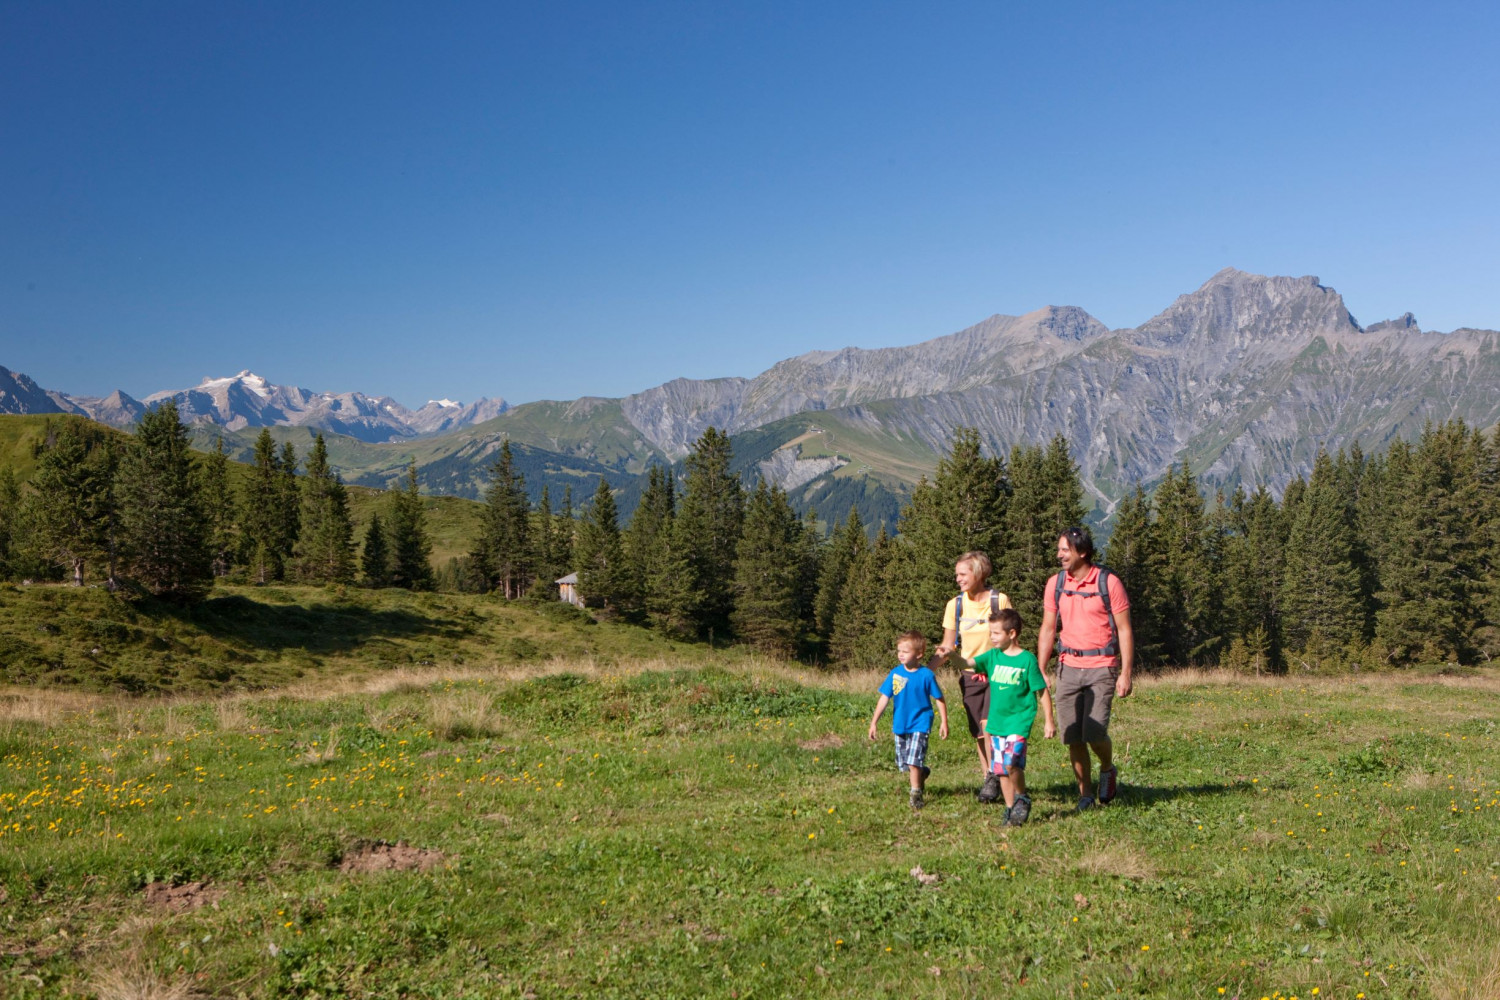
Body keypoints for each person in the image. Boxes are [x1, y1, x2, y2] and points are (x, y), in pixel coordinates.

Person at [1036, 526, 1134, 811]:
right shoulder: (1055, 584)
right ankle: (1086, 795)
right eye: (1059, 550)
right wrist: (1041, 667)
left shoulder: (1109, 583)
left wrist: (1125, 672)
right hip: (1067, 666)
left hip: (1101, 666)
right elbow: (1047, 627)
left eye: (1065, 550)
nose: (1059, 555)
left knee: (1094, 732)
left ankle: (1107, 768)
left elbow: (1124, 630)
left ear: (1083, 552)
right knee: (1072, 735)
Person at [937, 608, 1055, 825]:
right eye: (990, 633)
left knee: (1012, 765)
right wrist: (952, 655)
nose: (991, 637)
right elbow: (967, 664)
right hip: (996, 722)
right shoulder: (992, 656)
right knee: (1000, 770)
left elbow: (1041, 691)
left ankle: (1022, 797)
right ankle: (1010, 809)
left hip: (1018, 722)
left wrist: (1049, 720)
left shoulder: (1027, 660)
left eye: (996, 633)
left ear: (1011, 634)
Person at [933, 551, 1013, 796]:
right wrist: (924, 673)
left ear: (978, 573)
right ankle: (990, 776)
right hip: (969, 677)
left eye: (962, 574)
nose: (957, 578)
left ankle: (997, 777)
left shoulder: (999, 601)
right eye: (956, 574)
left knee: (990, 726)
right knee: (979, 731)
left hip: (997, 675)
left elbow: (1009, 640)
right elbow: (948, 645)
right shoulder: (955, 605)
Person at [868, 631, 950, 810]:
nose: (900, 654)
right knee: (905, 765)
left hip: (920, 723)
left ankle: (915, 794)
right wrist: (874, 722)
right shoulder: (895, 674)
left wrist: (944, 722)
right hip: (900, 724)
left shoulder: (926, 675)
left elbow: (939, 698)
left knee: (913, 762)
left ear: (919, 654)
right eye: (899, 651)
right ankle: (922, 772)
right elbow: (884, 698)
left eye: (905, 651)